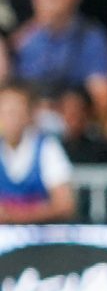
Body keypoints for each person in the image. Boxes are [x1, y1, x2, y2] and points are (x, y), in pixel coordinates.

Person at [0, 79, 75, 221]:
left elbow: (65, 205)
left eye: (15, 112)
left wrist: (14, 216)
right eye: (4, 112)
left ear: (28, 115)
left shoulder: (47, 148)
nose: (10, 119)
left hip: (41, 239)